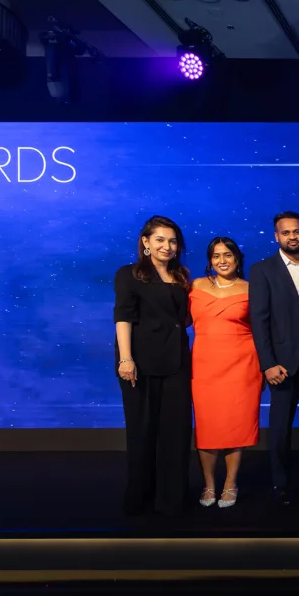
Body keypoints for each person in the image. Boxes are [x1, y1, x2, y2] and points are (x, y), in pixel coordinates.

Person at [114, 215, 193, 516]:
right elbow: (123, 317)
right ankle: (140, 497)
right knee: (142, 430)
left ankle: (171, 500)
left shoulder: (181, 275)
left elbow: (183, 319)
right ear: (146, 242)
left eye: (172, 241)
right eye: (160, 240)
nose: (167, 246)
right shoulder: (129, 274)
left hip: (177, 362)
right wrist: (125, 358)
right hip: (140, 363)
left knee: (176, 432)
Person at [190, 237, 261, 509]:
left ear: (237, 258)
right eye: (216, 255)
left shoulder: (251, 289)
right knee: (207, 426)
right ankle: (209, 484)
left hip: (241, 364)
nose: (222, 260)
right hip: (204, 365)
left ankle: (230, 483)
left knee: (235, 424)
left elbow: (261, 328)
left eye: (228, 255)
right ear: (210, 260)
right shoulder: (196, 286)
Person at [249, 212, 299, 506]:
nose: (292, 237)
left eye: (296, 231)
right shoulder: (263, 270)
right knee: (279, 428)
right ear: (276, 236)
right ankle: (281, 484)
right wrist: (267, 363)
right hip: (283, 362)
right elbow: (259, 321)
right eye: (286, 233)